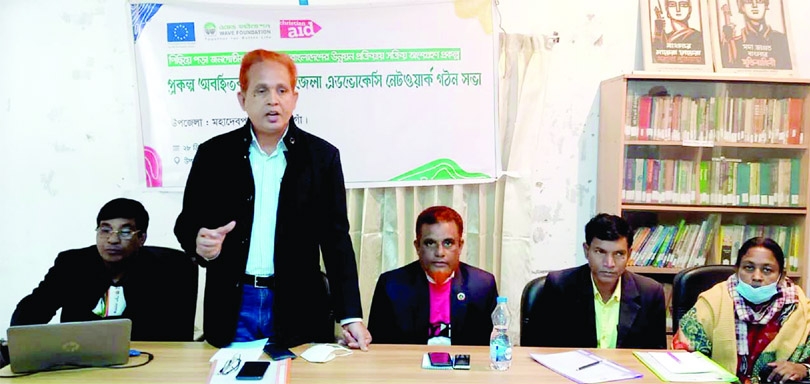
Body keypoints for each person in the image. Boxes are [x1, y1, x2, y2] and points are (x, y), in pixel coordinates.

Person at [174, 49, 370, 349]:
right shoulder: (213, 155)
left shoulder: (321, 158)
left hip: (299, 304)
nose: (273, 100)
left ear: (294, 97)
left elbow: (336, 241)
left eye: (282, 90)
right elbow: (187, 223)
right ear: (243, 99)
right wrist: (198, 241)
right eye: (261, 90)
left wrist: (350, 315)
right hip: (233, 303)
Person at [11, 198, 197, 341]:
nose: (112, 240)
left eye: (124, 232)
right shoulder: (72, 265)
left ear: (141, 238)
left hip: (147, 361)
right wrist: (19, 343)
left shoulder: (167, 270)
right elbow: (34, 309)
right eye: (105, 230)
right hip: (80, 359)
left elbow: (175, 334)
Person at [673, 237, 810, 383]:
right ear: (737, 270)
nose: (757, 277)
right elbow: (682, 359)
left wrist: (803, 369)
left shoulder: (800, 309)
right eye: (749, 268)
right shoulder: (712, 302)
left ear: (781, 275)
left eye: (767, 270)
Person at [526, 213, 666, 349]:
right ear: (587, 251)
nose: (609, 263)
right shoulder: (560, 286)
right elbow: (539, 349)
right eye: (600, 252)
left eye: (619, 254)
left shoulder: (650, 293)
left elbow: (655, 356)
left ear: (629, 255)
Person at [367, 206, 498, 345]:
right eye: (430, 243)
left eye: (448, 243)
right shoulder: (391, 285)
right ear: (417, 247)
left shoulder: (482, 285)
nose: (439, 252)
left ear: (460, 246)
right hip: (407, 364)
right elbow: (378, 347)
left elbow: (490, 347)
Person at [720, 0, 791, 69]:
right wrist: (728, 41)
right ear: (742, 7)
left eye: (759, 1)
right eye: (749, 1)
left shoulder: (781, 40)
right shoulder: (734, 43)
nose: (754, 5)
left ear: (765, 5)